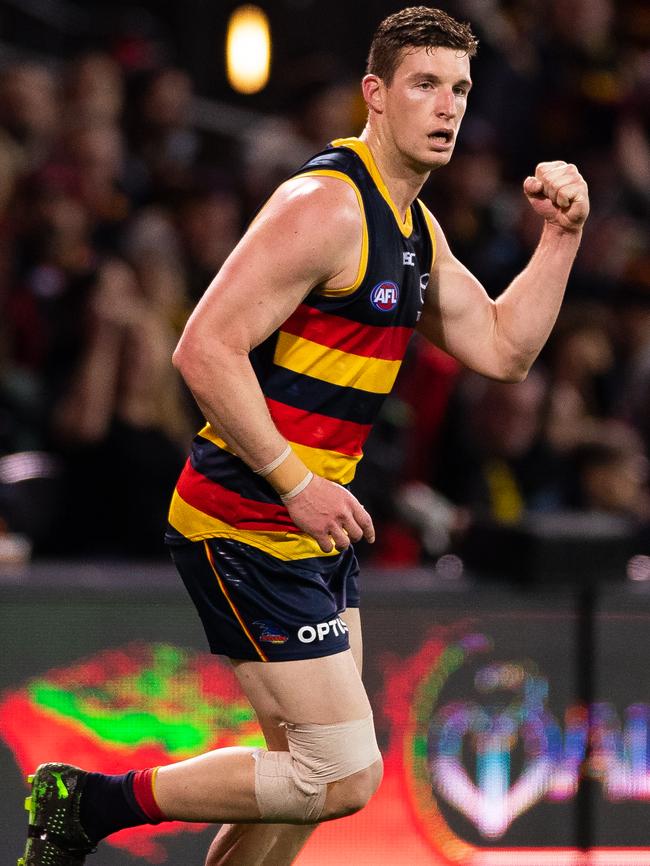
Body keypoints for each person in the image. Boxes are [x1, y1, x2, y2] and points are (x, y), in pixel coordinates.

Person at [18, 7, 590, 866]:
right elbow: (203, 347)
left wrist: (561, 236)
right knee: (343, 773)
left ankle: (92, 804)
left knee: (303, 789)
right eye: (425, 85)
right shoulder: (326, 204)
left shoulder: (412, 227)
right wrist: (296, 481)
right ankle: (89, 799)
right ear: (376, 95)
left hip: (308, 530)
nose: (446, 107)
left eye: (460, 89)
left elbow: (504, 348)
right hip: (247, 518)